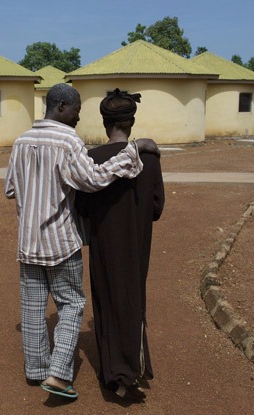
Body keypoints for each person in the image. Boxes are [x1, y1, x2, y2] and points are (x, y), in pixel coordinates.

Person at [4, 83, 159, 400]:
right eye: (75, 110)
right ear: (62, 106)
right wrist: (134, 150)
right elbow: (93, 180)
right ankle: (59, 374)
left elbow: (10, 189)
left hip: (28, 242)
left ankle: (36, 371)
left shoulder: (21, 141)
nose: (77, 117)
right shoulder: (68, 141)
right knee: (72, 305)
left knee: (33, 308)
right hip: (60, 241)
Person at [76, 88, 165, 400]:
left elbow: (83, 208)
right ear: (131, 121)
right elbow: (157, 207)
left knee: (107, 297)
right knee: (133, 297)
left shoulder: (91, 159)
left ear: (105, 122)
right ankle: (133, 367)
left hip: (104, 241)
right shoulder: (150, 158)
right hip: (138, 242)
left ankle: (115, 373)